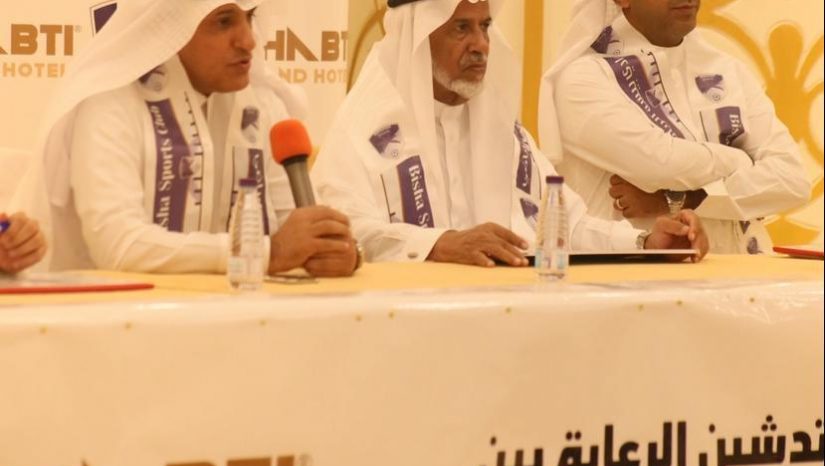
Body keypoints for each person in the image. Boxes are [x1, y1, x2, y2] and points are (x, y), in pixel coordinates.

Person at [313, 0, 708, 268]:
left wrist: (644, 243)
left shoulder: (503, 131)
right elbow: (345, 234)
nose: (481, 45)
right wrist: (437, 245)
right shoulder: (365, 130)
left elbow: (564, 226)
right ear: (417, 38)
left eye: (484, 27)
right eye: (461, 28)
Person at [12, 0, 358, 276]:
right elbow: (120, 246)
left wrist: (336, 252)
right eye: (224, 22)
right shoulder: (110, 103)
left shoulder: (263, 104)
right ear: (170, 29)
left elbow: (294, 228)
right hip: (114, 327)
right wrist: (266, 252)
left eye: (250, 17)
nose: (248, 40)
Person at [539, 0, 810, 254]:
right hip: (637, 279)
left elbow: (792, 180)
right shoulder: (583, 80)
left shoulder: (728, 70)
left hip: (745, 273)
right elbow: (659, 163)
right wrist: (741, 159)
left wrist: (682, 200)